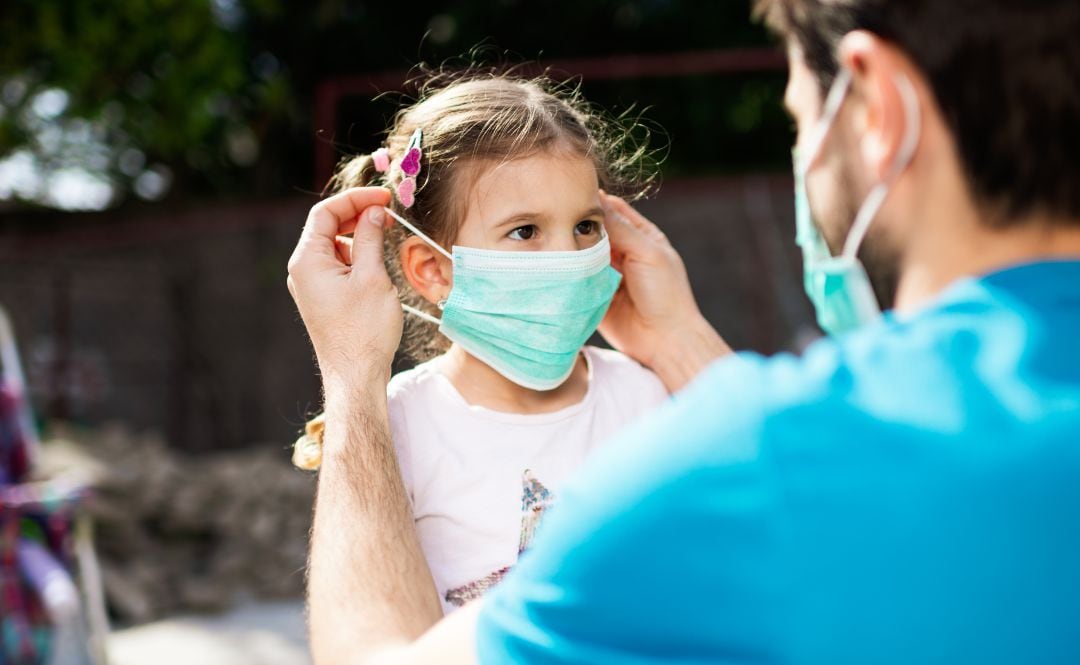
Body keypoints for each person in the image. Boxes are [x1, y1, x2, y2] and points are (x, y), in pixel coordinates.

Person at [285, 0, 1080, 663]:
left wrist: (351, 372)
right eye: (527, 231)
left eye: (799, 119)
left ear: (880, 110)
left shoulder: (755, 459)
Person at [291, 75, 669, 614]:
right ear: (433, 271)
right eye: (525, 231)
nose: (568, 256)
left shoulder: (644, 395)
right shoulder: (392, 428)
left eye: (586, 226)